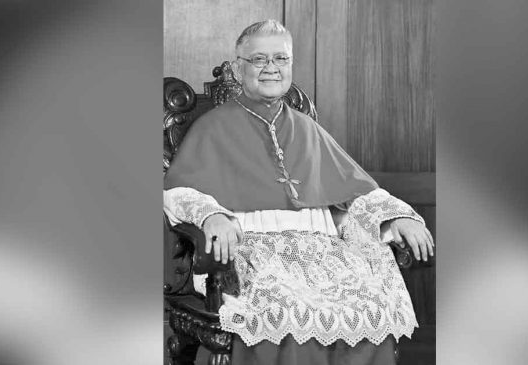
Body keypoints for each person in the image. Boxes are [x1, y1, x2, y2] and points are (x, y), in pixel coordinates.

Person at [163, 19, 434, 365]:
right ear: (237, 67)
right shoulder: (212, 127)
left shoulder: (308, 128)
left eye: (281, 59)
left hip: (321, 254)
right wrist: (212, 214)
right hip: (252, 253)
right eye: (259, 59)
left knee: (367, 307)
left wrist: (397, 216)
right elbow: (177, 189)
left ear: (291, 64)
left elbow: (355, 189)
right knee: (283, 315)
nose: (271, 69)